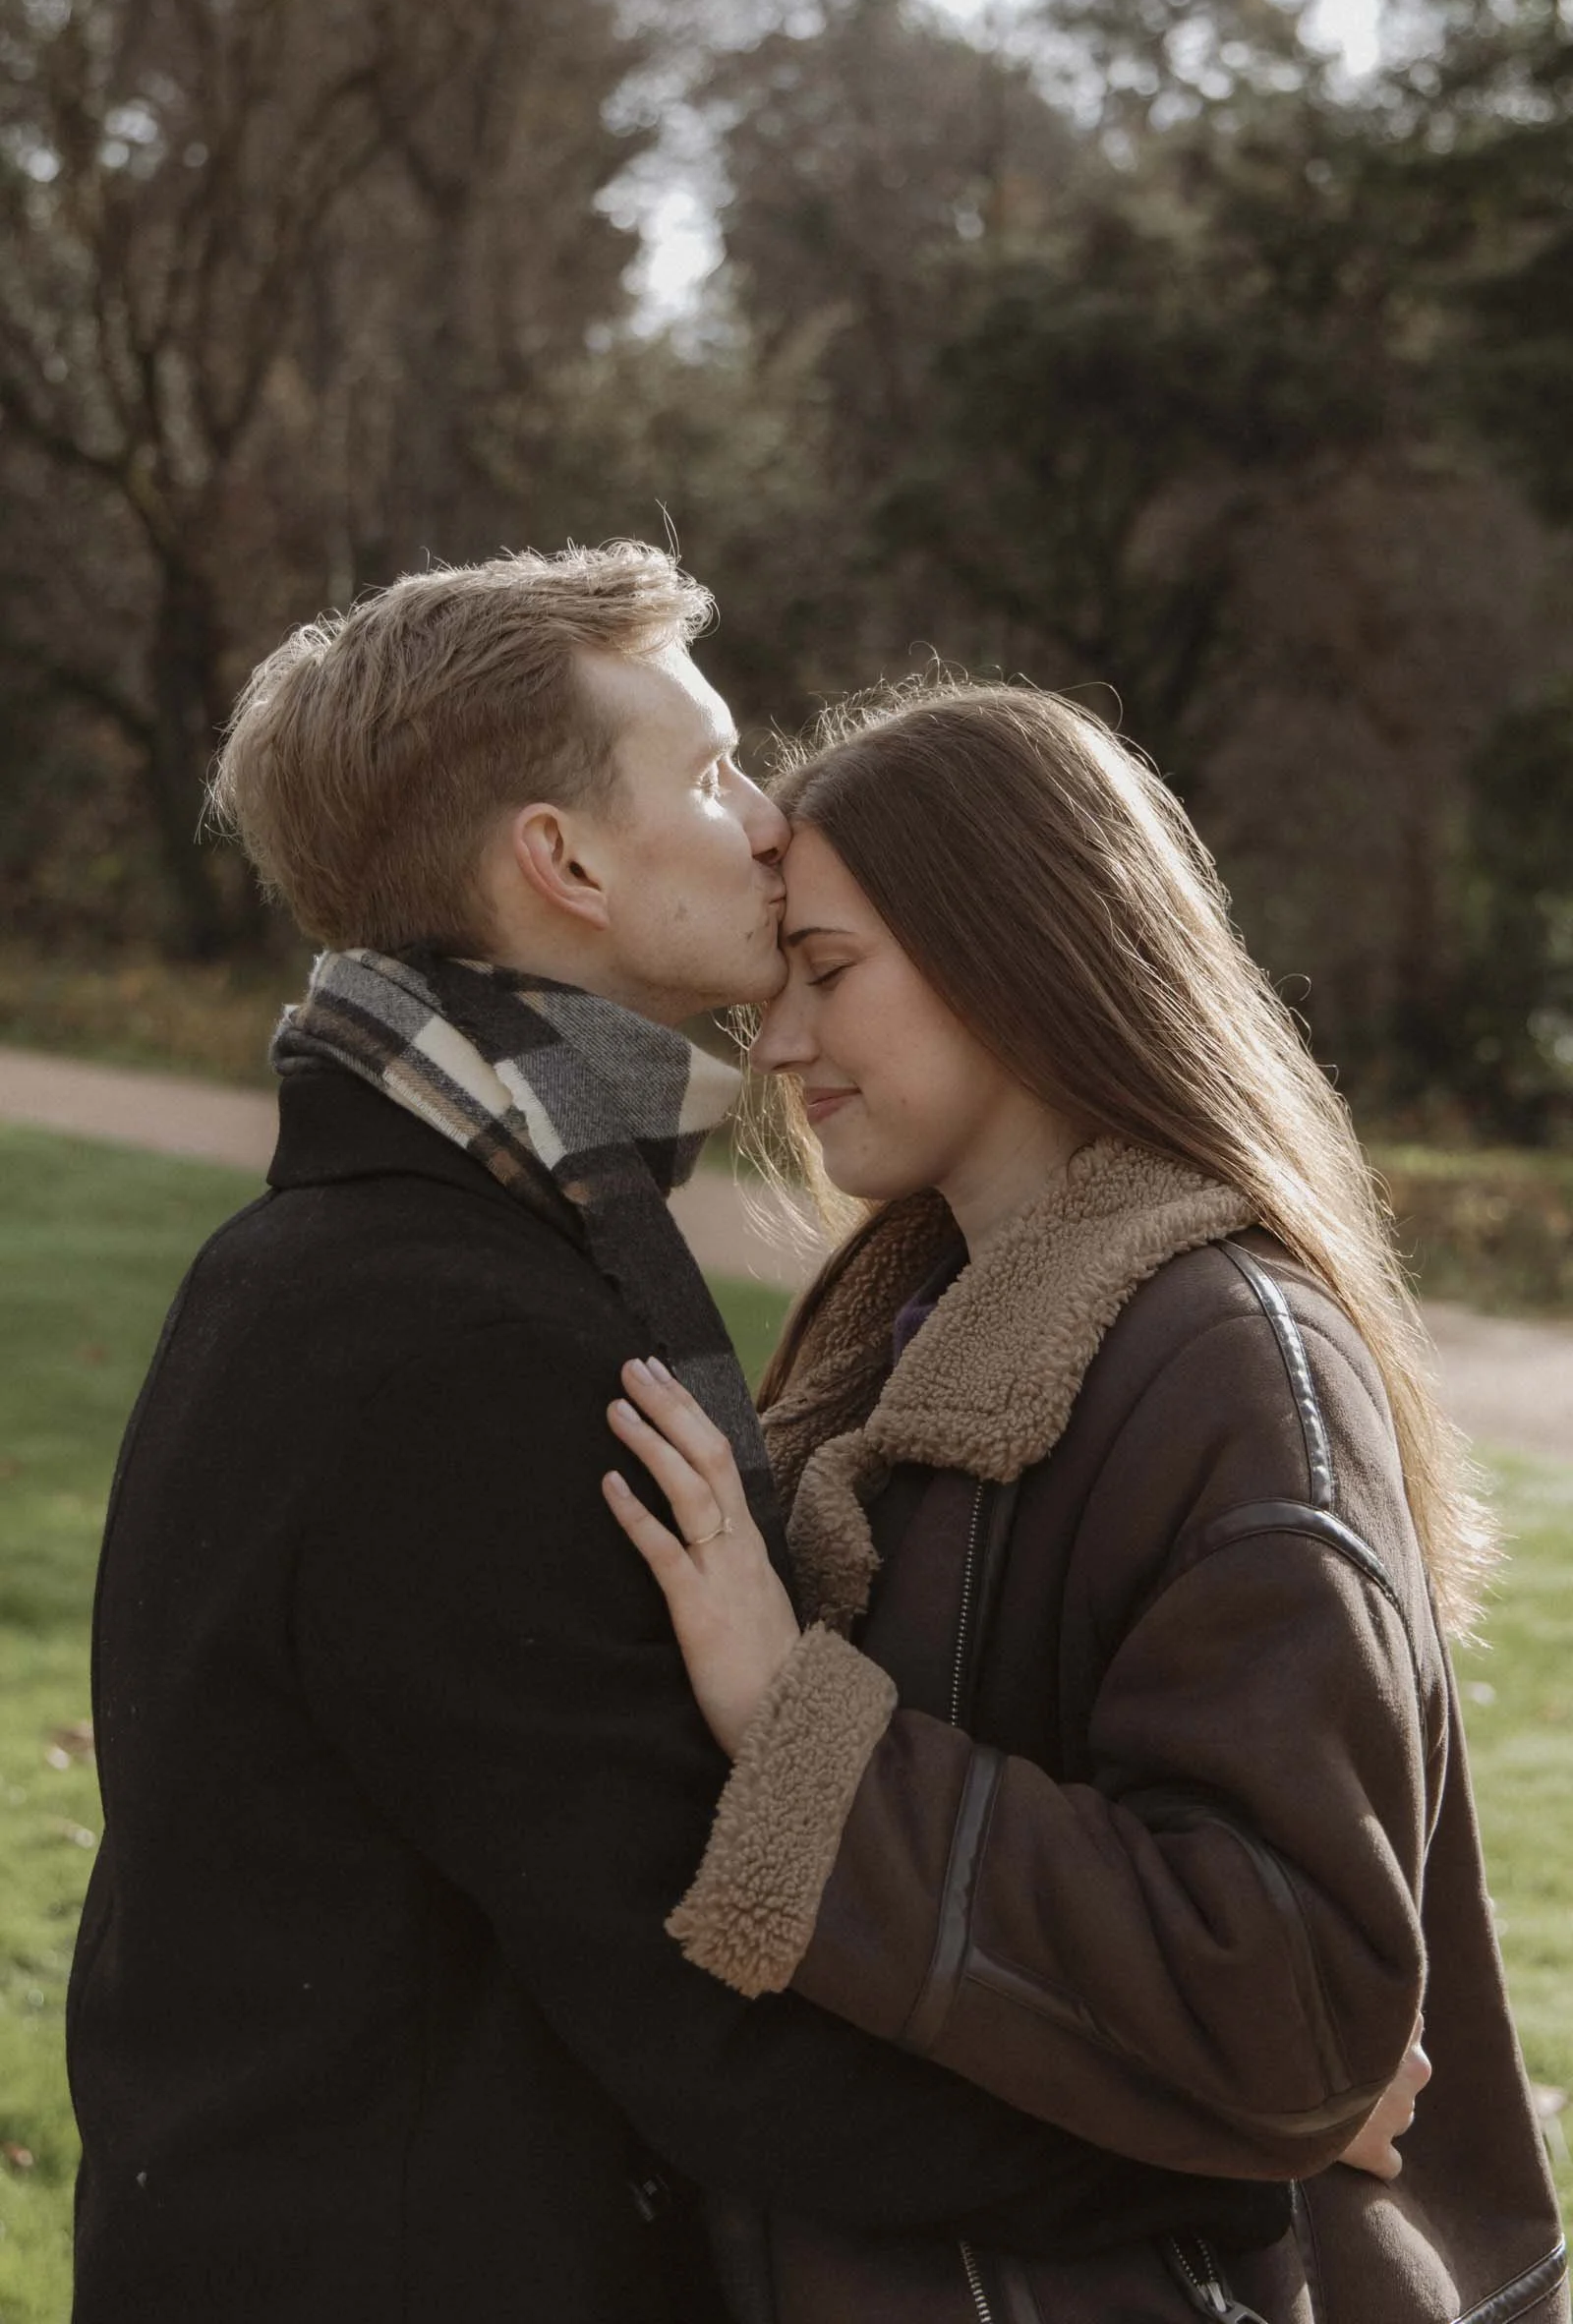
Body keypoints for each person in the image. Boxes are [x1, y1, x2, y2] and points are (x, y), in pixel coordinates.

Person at [68, 550, 1257, 2323]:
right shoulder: (452, 1341)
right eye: (707, 770)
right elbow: (711, 2010)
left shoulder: (351, 1259)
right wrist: (1233, 2145)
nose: (769, 820)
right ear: (562, 863)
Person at [604, 678, 1569, 2324]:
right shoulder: (894, 1341)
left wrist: (796, 1724)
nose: (779, 1043)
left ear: (1013, 949)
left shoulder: (1228, 1362)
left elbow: (1290, 1996)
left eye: (829, 974)